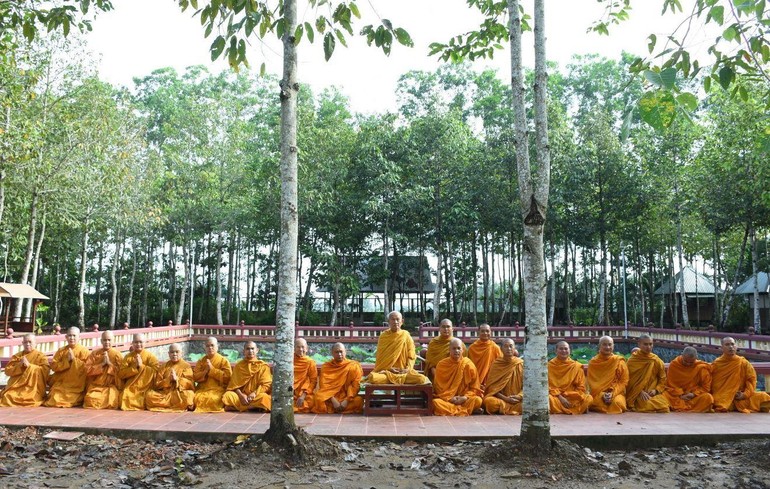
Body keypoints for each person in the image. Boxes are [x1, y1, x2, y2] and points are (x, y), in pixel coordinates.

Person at [364, 311, 429, 385]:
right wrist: (388, 368)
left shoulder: (406, 335)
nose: (395, 322)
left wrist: (407, 369)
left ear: (402, 321)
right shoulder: (383, 336)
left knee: (421, 379)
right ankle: (392, 379)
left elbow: (411, 356)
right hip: (387, 372)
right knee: (373, 377)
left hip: (404, 372)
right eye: (393, 319)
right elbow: (380, 358)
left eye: (398, 319)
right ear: (388, 321)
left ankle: (397, 379)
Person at [711, 337, 770, 413]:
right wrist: (728, 393)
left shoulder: (743, 362)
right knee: (717, 401)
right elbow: (714, 384)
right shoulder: (717, 364)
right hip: (724, 395)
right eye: (727, 344)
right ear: (722, 347)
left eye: (732, 344)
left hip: (741, 395)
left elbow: (751, 381)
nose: (731, 347)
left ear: (736, 346)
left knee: (764, 397)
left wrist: (744, 394)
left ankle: (734, 405)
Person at [432, 338, 483, 416]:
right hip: (448, 400)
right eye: (454, 348)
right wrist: (449, 398)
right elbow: (439, 388)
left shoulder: (469, 364)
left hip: (464, 400)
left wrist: (465, 397)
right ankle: (465, 410)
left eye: (459, 348)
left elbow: (475, 388)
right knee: (435, 403)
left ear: (462, 350)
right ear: (449, 350)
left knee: (478, 400)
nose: (456, 351)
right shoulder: (442, 365)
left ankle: (456, 410)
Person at [311, 343, 364, 414]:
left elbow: (355, 385)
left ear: (345, 352)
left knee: (359, 400)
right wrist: (334, 401)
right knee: (318, 398)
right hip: (330, 398)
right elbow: (324, 386)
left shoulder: (353, 366)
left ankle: (336, 408)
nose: (339, 354)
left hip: (347, 396)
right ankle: (338, 408)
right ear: (332, 353)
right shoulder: (326, 367)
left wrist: (346, 400)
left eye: (341, 351)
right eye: (336, 352)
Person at [45, 327, 90, 407]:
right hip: (62, 383)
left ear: (79, 337)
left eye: (74, 336)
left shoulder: (84, 351)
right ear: (66, 337)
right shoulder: (61, 351)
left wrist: (74, 360)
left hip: (77, 385)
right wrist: (67, 362)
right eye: (69, 335)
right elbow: (54, 366)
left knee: (71, 397)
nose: (71, 338)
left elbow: (87, 368)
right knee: (55, 397)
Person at [0, 334, 49, 407]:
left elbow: (45, 371)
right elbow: (8, 371)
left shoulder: (40, 356)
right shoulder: (18, 356)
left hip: (32, 388)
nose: (28, 344)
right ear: (22, 343)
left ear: (35, 343)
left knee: (31, 398)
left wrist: (29, 366)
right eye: (25, 342)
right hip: (17, 387)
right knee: (8, 396)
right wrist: (20, 365)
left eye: (30, 342)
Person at [222, 342, 272, 412]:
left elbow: (266, 385)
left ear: (257, 350)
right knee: (228, 395)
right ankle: (252, 407)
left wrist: (254, 393)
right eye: (248, 349)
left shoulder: (263, 366)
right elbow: (233, 385)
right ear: (244, 351)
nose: (250, 351)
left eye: (252, 349)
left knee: (264, 398)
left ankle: (240, 407)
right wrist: (241, 395)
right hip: (241, 396)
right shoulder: (239, 366)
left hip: (256, 395)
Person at [625, 335, 670, 413]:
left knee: (663, 405)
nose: (648, 347)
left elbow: (662, 378)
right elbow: (627, 379)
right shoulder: (632, 361)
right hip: (636, 393)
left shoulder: (656, 360)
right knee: (645, 404)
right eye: (645, 344)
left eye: (650, 344)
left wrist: (656, 390)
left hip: (651, 391)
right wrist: (639, 391)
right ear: (639, 344)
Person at [145, 343, 195, 412]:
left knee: (189, 395)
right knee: (149, 396)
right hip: (165, 394)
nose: (174, 354)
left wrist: (177, 379)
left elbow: (190, 384)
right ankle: (176, 405)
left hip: (178, 393)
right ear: (168, 353)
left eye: (177, 352)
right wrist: (168, 380)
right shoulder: (164, 366)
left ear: (181, 353)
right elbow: (157, 384)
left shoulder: (186, 366)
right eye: (172, 352)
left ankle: (169, 404)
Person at [664, 346, 713, 412]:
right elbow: (670, 384)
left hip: (693, 397)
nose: (688, 364)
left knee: (708, 398)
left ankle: (687, 408)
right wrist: (681, 395)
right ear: (682, 355)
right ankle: (692, 408)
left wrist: (693, 394)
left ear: (696, 358)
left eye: (691, 362)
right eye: (685, 361)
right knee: (664, 395)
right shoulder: (675, 364)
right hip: (677, 396)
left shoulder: (701, 367)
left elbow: (706, 387)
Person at [548, 341, 592, 415]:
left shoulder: (576, 366)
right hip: (556, 397)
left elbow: (581, 387)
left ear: (569, 350)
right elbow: (547, 386)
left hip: (571, 395)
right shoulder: (549, 366)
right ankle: (573, 409)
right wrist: (560, 397)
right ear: (556, 351)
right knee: (548, 399)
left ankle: (564, 409)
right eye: (561, 349)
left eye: (566, 349)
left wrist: (569, 395)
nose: (564, 351)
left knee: (588, 398)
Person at [587, 336, 629, 414]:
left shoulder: (619, 361)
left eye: (610, 344)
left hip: (616, 392)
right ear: (599, 346)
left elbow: (624, 381)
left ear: (613, 346)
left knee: (617, 403)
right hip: (599, 393)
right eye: (604, 345)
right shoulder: (594, 362)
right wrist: (603, 394)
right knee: (594, 402)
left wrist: (612, 394)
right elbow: (592, 383)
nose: (607, 347)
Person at [118, 333, 159, 410]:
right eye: (136, 342)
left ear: (145, 343)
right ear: (132, 343)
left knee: (149, 397)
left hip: (146, 387)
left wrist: (141, 366)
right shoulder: (128, 356)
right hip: (131, 387)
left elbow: (156, 372)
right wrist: (135, 367)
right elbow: (121, 373)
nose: (138, 344)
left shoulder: (150, 356)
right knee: (123, 397)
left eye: (141, 342)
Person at [83, 331, 124, 409]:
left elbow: (121, 373)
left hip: (111, 387)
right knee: (90, 399)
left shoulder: (117, 355)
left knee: (112, 400)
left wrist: (109, 364)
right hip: (96, 386)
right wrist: (101, 365)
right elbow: (87, 370)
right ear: (101, 341)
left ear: (113, 340)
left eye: (109, 340)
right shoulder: (95, 353)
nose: (107, 342)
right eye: (105, 340)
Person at [483, 339, 524, 415]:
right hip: (502, 399)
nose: (508, 349)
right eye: (505, 346)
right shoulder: (496, 364)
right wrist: (506, 399)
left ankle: (507, 408)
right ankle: (509, 408)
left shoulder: (521, 364)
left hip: (517, 400)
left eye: (511, 346)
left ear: (514, 348)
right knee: (489, 402)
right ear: (501, 349)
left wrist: (519, 396)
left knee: (530, 403)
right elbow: (492, 388)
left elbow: (527, 385)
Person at [193, 337, 233, 413]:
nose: (210, 348)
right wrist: (205, 371)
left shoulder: (223, 360)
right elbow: (195, 377)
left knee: (214, 399)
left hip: (218, 389)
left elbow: (228, 378)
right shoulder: (201, 361)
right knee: (195, 397)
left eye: (212, 345)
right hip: (203, 389)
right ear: (204, 347)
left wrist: (212, 370)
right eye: (207, 346)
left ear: (217, 346)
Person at [467, 323, 502, 393]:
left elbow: (500, 367)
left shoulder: (495, 348)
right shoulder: (472, 348)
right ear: (478, 333)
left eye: (487, 331)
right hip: (474, 382)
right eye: (482, 331)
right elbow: (468, 368)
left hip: (490, 382)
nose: (485, 333)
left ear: (490, 333)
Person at [293, 338, 317, 413]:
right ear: (294, 348)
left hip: (304, 393)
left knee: (312, 401)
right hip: (290, 392)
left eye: (303, 347)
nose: (300, 349)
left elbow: (313, 381)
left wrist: (303, 395)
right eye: (298, 347)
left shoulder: (310, 362)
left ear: (306, 349)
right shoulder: (289, 360)